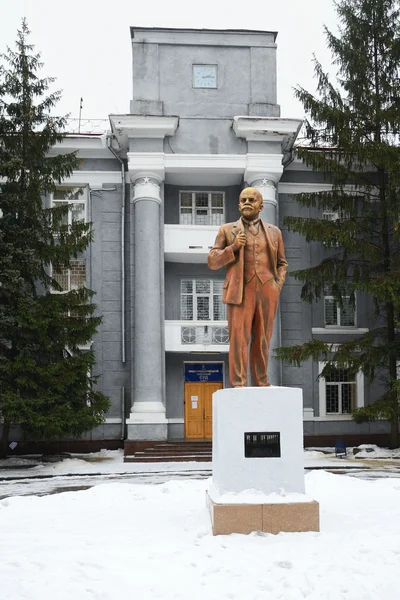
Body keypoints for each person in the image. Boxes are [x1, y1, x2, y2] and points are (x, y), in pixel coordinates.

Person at [208, 187, 288, 388]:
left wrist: (277, 284)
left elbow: (281, 263)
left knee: (263, 338)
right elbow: (212, 261)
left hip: (267, 289)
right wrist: (233, 248)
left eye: (252, 200)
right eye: (243, 199)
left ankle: (261, 381)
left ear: (260, 206)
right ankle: (239, 383)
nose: (247, 202)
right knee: (238, 339)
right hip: (239, 291)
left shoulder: (274, 232)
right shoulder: (227, 230)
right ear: (238, 204)